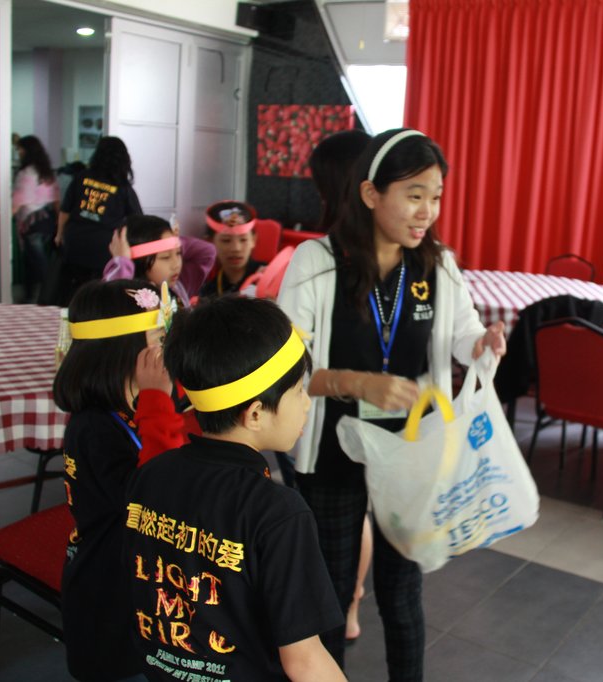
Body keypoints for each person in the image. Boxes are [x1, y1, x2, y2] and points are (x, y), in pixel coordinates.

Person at [276, 128, 507, 680]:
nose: (427, 211)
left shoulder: (437, 265)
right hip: (331, 453)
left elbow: (461, 333)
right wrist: (356, 382)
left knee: (402, 594)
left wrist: (480, 344)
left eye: (436, 196)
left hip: (410, 449)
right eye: (414, 195)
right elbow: (285, 365)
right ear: (370, 193)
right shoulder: (317, 261)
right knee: (330, 596)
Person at [123, 296, 346, 681]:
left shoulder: (150, 475)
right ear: (255, 413)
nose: (307, 404)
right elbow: (305, 660)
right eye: (298, 391)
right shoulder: (279, 513)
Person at [54, 278, 185, 681]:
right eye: (159, 340)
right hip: (110, 597)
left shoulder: (126, 404)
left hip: (134, 580)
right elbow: (160, 498)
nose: (167, 350)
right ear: (124, 350)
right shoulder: (95, 428)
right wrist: (158, 401)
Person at [308, 128, 373, 644]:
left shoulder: (401, 256)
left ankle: (347, 603)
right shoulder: (319, 256)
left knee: (344, 534)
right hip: (335, 430)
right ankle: (345, 607)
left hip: (368, 431)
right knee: (341, 532)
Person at [50, 136, 143, 306]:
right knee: (99, 292)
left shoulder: (81, 177)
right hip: (103, 248)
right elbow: (137, 219)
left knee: (73, 288)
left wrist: (59, 234)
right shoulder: (123, 187)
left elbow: (65, 211)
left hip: (75, 242)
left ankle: (72, 311)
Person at [103, 214, 215, 308]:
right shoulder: (129, 295)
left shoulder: (179, 286)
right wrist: (123, 262)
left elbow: (207, 252)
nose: (176, 264)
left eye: (179, 253)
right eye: (165, 257)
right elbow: (111, 298)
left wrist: (172, 242)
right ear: (138, 260)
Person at [11, 134, 60, 303]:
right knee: (34, 263)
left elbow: (18, 201)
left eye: (19, 150)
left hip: (30, 224)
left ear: (26, 151)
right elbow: (56, 200)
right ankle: (31, 297)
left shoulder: (26, 174)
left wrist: (2, 222)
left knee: (37, 265)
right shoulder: (46, 172)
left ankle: (48, 298)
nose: (18, 153)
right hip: (46, 222)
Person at [200, 200, 267, 297]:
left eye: (243, 240)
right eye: (226, 240)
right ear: (210, 243)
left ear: (253, 240)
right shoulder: (209, 291)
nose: (236, 248)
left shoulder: (268, 275)